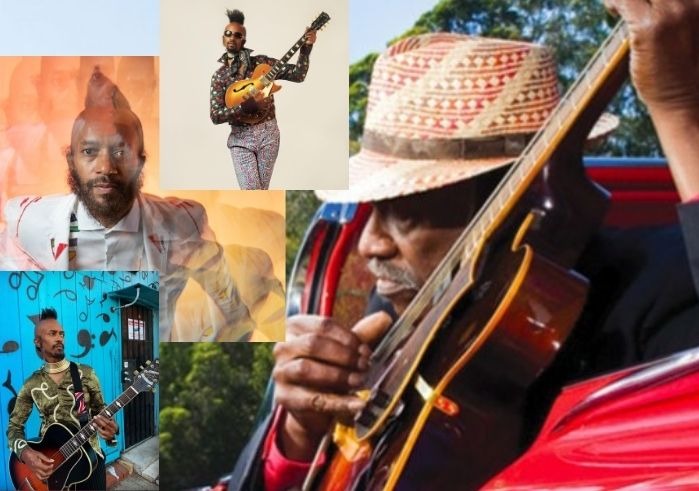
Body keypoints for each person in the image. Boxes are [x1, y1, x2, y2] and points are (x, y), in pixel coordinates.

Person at [227, 1, 699, 489]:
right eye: (371, 210)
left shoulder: (660, 287)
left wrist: (681, 111)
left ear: (522, 202)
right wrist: (300, 435)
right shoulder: (400, 317)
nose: (369, 245)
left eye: (405, 212)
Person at [1, 69, 255, 342]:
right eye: (89, 151)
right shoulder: (28, 223)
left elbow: (238, 319)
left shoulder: (183, 226)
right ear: (71, 160)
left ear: (141, 161)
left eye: (120, 152)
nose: (105, 168)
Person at [6, 308, 118, 490]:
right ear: (37, 341)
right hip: (49, 468)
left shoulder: (86, 374)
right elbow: (14, 428)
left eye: (62, 334)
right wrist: (26, 453)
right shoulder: (31, 384)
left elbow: (102, 412)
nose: (60, 338)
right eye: (52, 334)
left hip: (90, 462)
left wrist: (112, 432)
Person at [209, 8, 317, 190]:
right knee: (251, 190)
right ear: (222, 38)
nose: (232, 38)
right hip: (240, 139)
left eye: (237, 35)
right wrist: (242, 108)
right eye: (228, 34)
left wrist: (306, 48)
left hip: (269, 134)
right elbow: (215, 115)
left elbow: (298, 75)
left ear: (244, 40)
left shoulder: (263, 63)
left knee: (262, 190)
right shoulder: (219, 76)